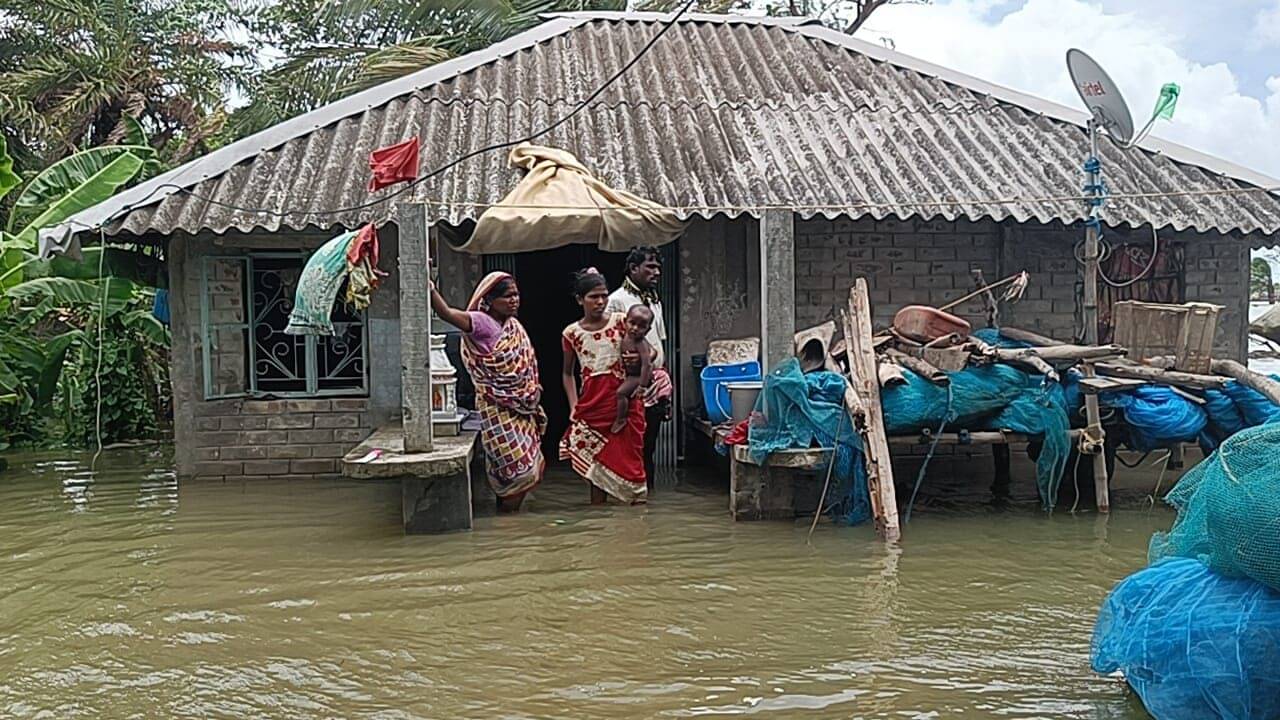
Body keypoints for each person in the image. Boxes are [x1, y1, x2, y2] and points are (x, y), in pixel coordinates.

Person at [430, 272, 545, 512]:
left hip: (522, 409)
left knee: (527, 467)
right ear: (490, 300)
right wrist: (430, 289)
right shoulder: (480, 322)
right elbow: (447, 314)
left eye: (516, 294)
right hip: (497, 408)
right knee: (514, 467)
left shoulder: (513, 326)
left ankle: (508, 519)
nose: (514, 300)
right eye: (507, 296)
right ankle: (507, 517)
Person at [560, 268, 648, 505]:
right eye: (593, 297)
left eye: (604, 296)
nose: (600, 302)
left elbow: (649, 352)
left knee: (632, 467)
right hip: (592, 405)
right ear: (580, 300)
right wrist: (573, 406)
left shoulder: (623, 322)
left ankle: (636, 522)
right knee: (595, 470)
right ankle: (599, 518)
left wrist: (637, 361)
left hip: (625, 405)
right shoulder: (571, 333)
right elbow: (567, 373)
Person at [606, 247, 673, 489]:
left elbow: (659, 342)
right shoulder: (615, 301)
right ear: (633, 269)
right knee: (630, 445)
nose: (657, 272)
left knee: (649, 446)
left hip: (653, 382)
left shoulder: (655, 302)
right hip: (629, 383)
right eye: (650, 267)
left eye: (658, 267)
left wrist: (665, 387)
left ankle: (647, 504)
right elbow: (609, 343)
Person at [612, 305, 655, 434]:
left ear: (648, 330)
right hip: (629, 374)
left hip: (638, 376)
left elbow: (647, 365)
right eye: (632, 323)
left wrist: (642, 386)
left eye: (641, 326)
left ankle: (621, 419)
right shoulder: (624, 336)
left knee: (621, 393)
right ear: (625, 321)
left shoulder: (640, 343)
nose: (635, 328)